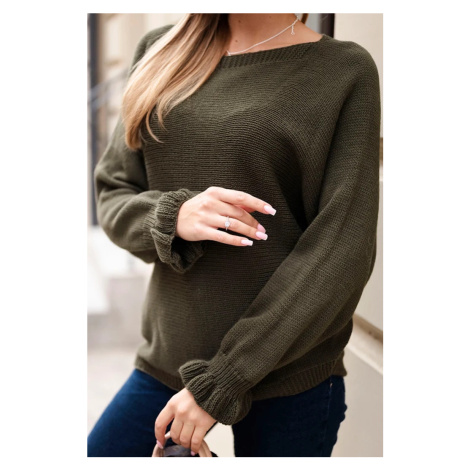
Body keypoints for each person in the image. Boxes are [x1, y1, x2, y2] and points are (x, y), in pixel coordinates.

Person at [87, 13, 381, 457]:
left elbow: (342, 250)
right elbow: (113, 193)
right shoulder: (161, 49)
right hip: (166, 362)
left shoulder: (343, 70)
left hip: (287, 380)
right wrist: (173, 216)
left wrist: (222, 381)